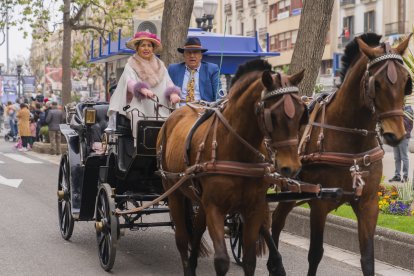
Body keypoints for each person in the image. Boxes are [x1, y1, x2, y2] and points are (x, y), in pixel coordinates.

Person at [107, 31, 180, 142]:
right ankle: (140, 146)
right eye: (143, 45)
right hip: (139, 104)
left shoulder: (161, 65)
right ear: (137, 48)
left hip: (160, 105)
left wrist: (173, 93)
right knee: (137, 115)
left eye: (149, 46)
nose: (146, 49)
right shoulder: (130, 65)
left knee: (173, 117)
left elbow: (168, 82)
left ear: (153, 48)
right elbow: (129, 82)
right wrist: (142, 89)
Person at [168, 37, 220, 105]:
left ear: (201, 55)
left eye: (195, 52)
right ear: (183, 55)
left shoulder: (212, 69)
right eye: (188, 52)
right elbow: (166, 90)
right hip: (179, 111)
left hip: (203, 111)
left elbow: (218, 95)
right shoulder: (173, 69)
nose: (192, 55)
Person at [389, 105, 413, 183]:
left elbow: (405, 124)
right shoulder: (396, 111)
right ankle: (397, 176)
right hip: (396, 137)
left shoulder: (408, 111)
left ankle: (405, 176)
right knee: (397, 158)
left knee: (404, 157)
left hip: (404, 137)